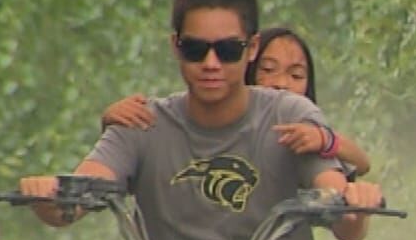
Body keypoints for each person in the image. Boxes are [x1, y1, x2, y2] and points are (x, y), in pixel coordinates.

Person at [19, 0, 383, 240]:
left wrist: (355, 204)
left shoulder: (291, 115)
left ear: (252, 48)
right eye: (195, 49)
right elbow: (76, 198)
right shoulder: (140, 123)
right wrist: (48, 195)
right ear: (175, 47)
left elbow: (344, 220)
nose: (211, 64)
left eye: (227, 50)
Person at [100, 25, 374, 177]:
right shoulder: (199, 118)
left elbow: (361, 165)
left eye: (296, 75)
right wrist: (114, 121)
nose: (282, 83)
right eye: (268, 70)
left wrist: (326, 140)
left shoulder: (302, 134)